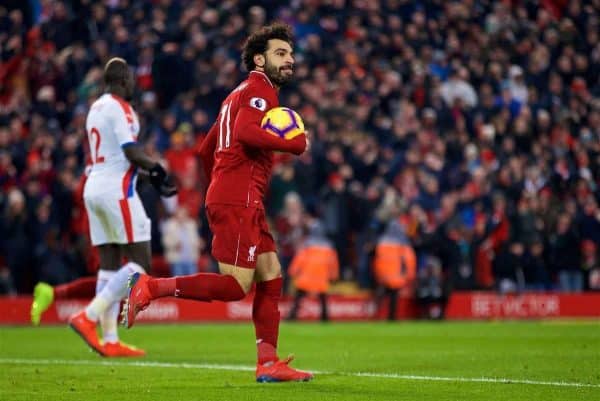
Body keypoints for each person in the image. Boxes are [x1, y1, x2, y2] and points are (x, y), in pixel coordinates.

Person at [123, 23, 313, 382]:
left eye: (290, 54)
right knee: (236, 286)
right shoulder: (260, 90)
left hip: (238, 196)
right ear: (259, 59)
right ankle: (152, 286)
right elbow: (243, 133)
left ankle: (268, 363)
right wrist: (294, 144)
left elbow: (206, 149)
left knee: (271, 275)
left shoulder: (235, 96)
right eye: (280, 53)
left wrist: (222, 185)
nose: (290, 60)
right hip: (239, 197)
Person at [33, 57, 177, 357]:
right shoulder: (119, 107)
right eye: (133, 80)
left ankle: (110, 340)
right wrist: (157, 167)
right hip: (116, 191)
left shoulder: (95, 108)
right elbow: (130, 151)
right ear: (124, 80)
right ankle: (89, 316)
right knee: (142, 264)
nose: (135, 85)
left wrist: (150, 175)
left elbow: (116, 156)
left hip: (94, 186)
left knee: (110, 265)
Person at [287, 220, 339, 322]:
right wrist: (333, 276)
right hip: (321, 277)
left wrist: (292, 271)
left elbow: (299, 259)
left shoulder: (306, 245)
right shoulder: (329, 246)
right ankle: (324, 317)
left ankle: (292, 316)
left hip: (307, 276)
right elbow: (333, 263)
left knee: (298, 297)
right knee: (323, 298)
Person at [373, 220, 417, 321]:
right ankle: (391, 317)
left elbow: (377, 259)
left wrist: (378, 274)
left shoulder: (381, 242)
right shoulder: (402, 243)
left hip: (383, 275)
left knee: (382, 295)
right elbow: (409, 260)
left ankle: (376, 315)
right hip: (396, 275)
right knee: (393, 297)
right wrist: (409, 275)